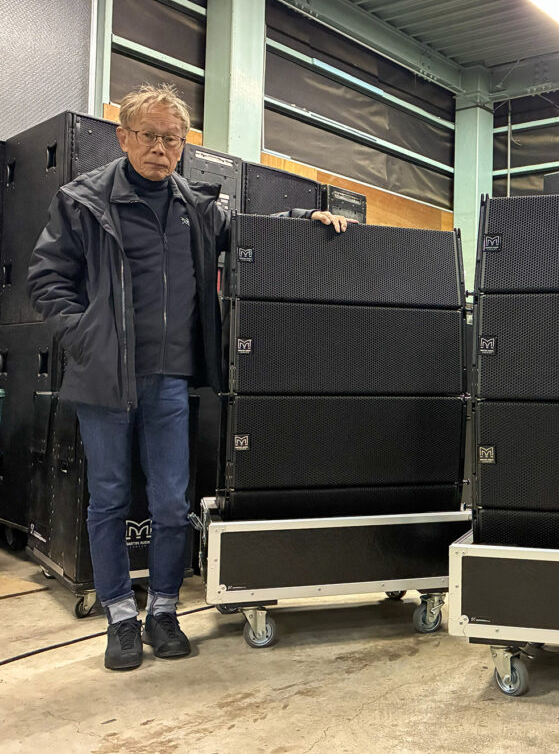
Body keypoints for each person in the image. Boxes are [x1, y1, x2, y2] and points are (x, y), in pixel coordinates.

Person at [27, 84, 349, 671]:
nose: (161, 149)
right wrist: (87, 338)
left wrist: (305, 216)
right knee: (109, 498)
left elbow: (249, 231)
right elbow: (47, 279)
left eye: (173, 140)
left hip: (170, 380)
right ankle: (120, 617)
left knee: (173, 504)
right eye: (150, 136)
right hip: (105, 378)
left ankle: (164, 611)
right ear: (123, 137)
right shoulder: (83, 202)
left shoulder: (195, 207)